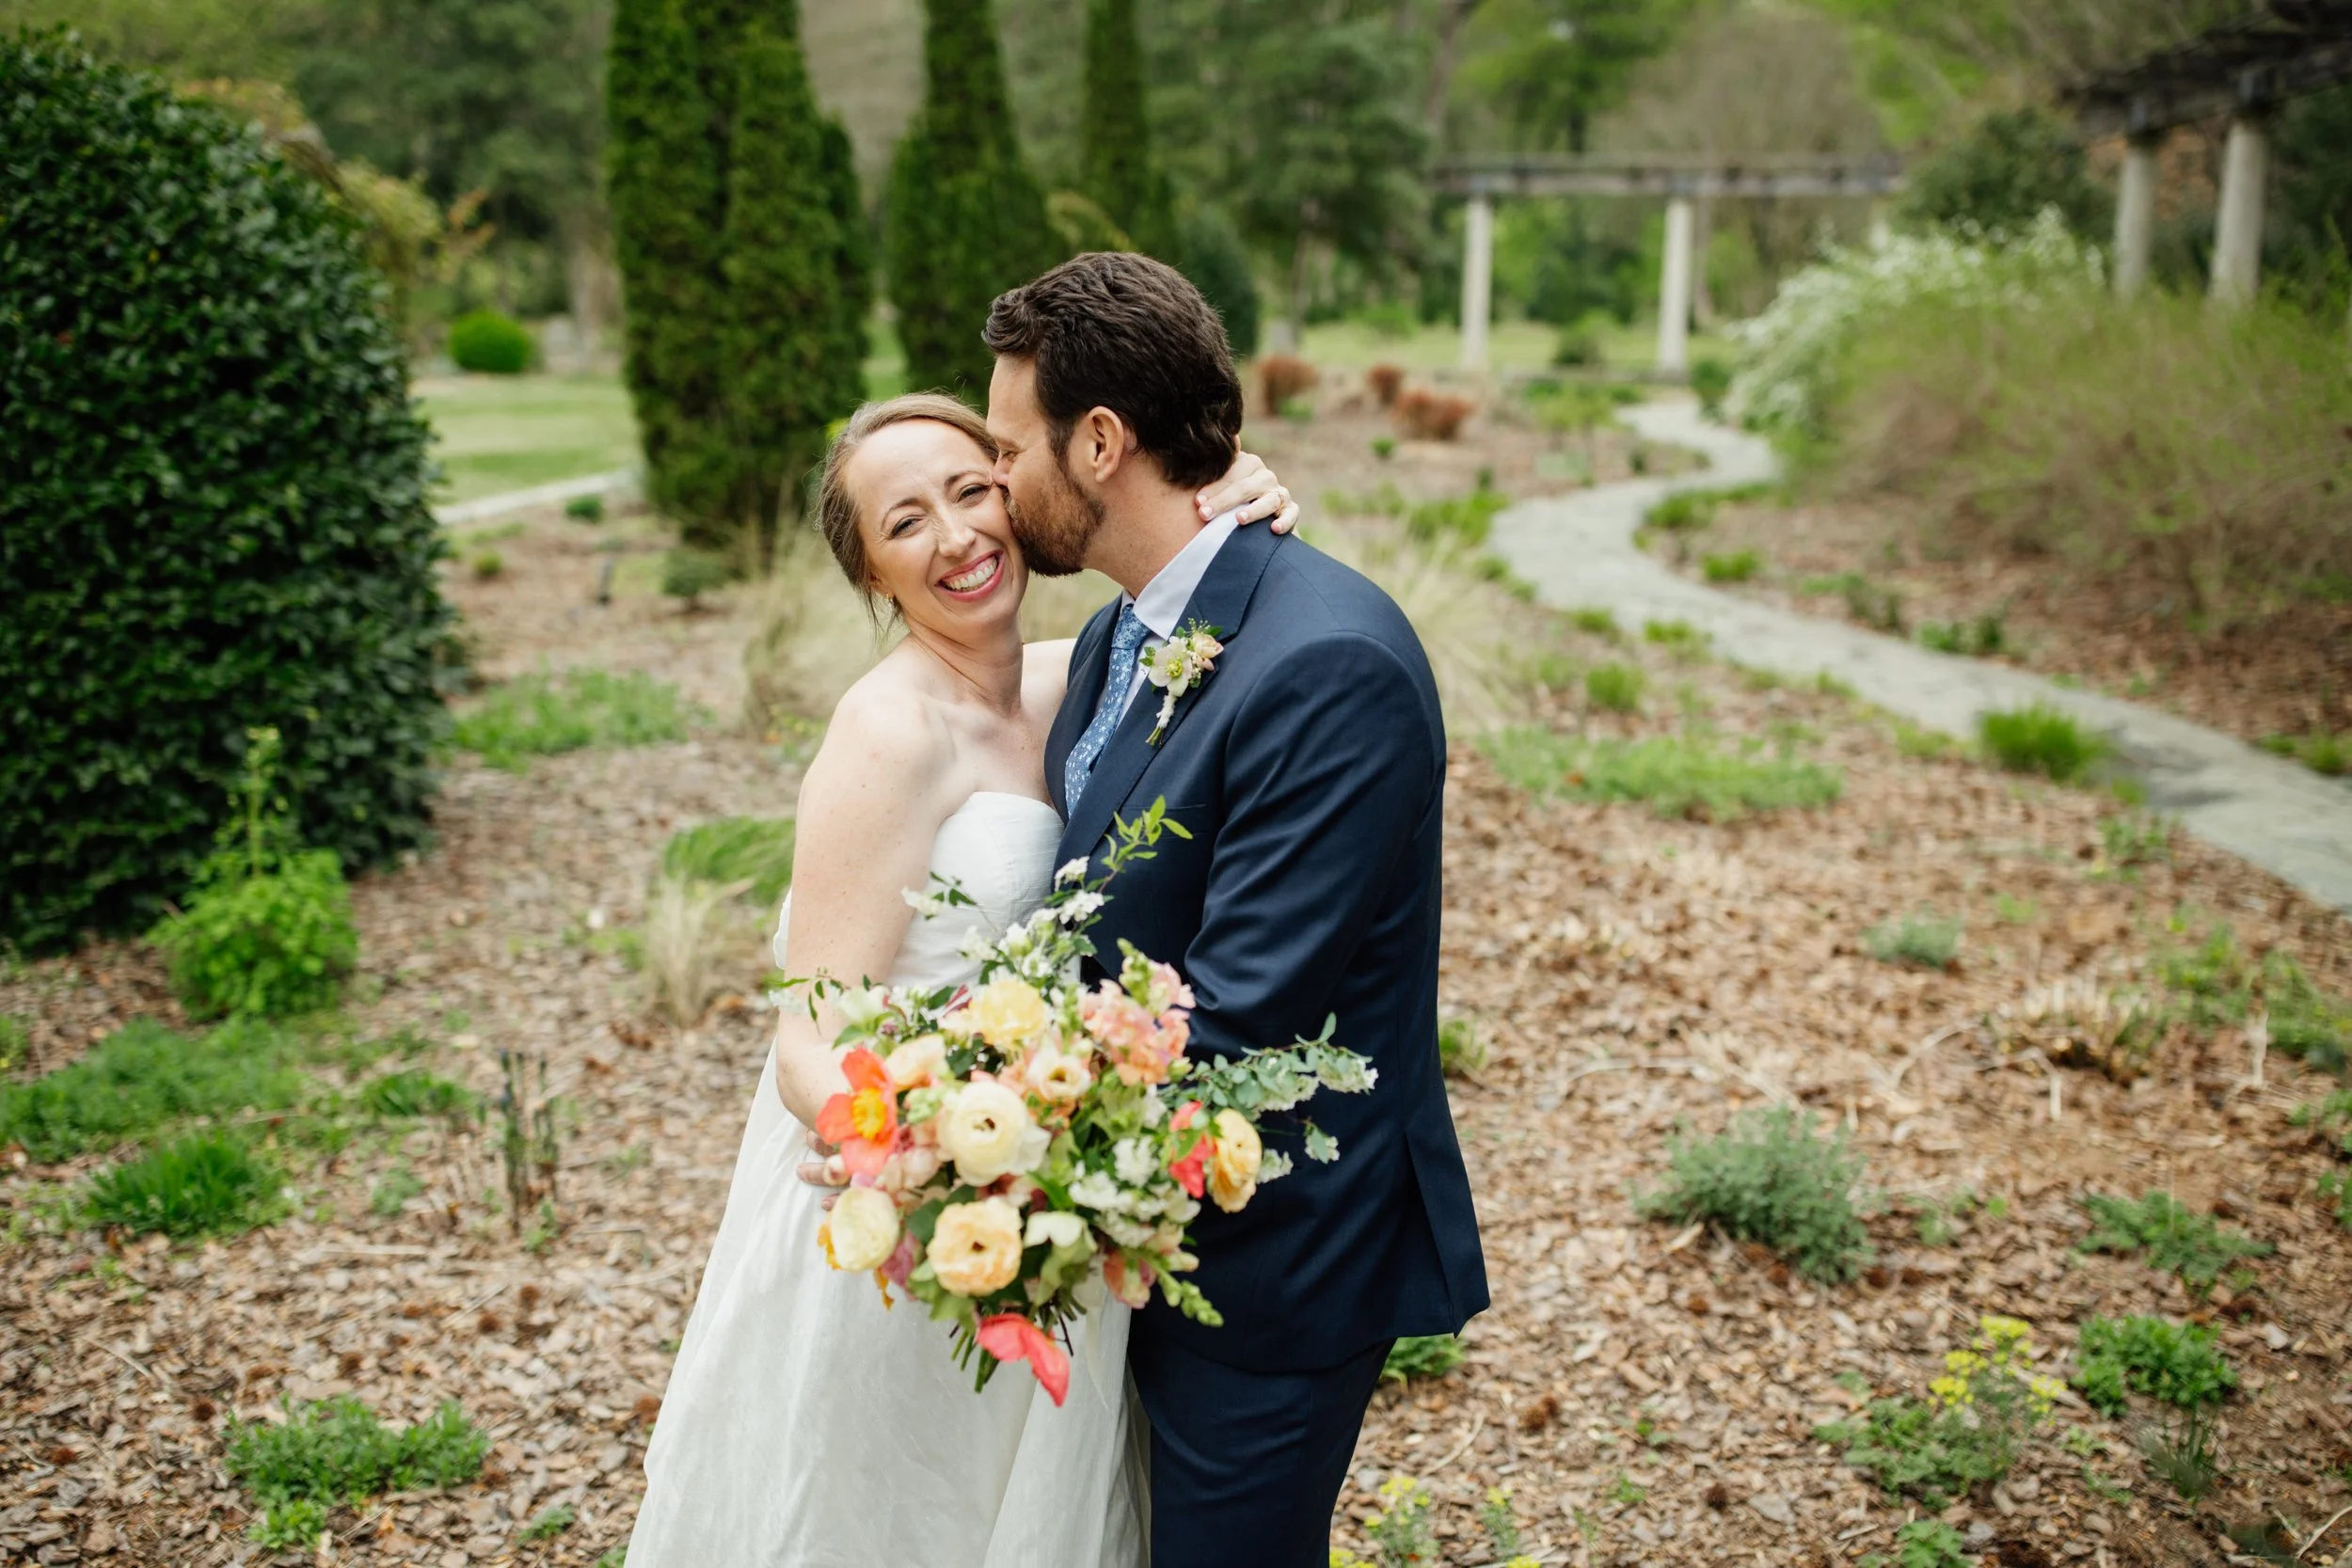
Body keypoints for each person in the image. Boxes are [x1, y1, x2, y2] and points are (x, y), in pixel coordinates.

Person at [621, 397, 1296, 1568]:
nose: (957, 538)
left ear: (1013, 490)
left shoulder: (1076, 676)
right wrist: (927, 1162)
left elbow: (1181, 569)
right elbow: (808, 1031)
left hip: (1042, 1179)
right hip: (916, 1205)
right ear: (874, 573)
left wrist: (1243, 487)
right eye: (906, 522)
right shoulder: (889, 732)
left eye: (971, 490)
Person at [980, 251, 1488, 1568]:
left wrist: (962, 1131)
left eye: (1004, 446)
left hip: (1268, 1268)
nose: (994, 485)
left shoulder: (1327, 665)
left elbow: (1236, 1018)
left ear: (1099, 441)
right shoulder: (1120, 630)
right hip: (1132, 1231)